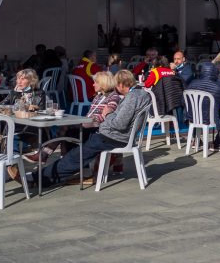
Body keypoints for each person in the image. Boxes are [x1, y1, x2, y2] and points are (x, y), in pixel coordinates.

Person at [18, 69, 151, 187]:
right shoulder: (140, 94)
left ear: (122, 84)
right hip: (110, 135)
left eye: (117, 85)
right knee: (72, 139)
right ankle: (74, 172)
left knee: (74, 157)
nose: (115, 88)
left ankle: (38, 178)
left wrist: (108, 113)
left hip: (111, 137)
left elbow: (119, 124)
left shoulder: (132, 97)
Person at [187, 62, 220, 146]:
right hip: (212, 119)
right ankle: (217, 143)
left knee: (199, 113)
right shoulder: (218, 86)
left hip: (194, 118)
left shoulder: (192, 84)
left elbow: (184, 100)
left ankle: (196, 140)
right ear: (215, 73)